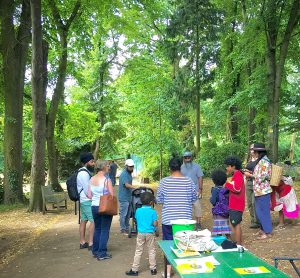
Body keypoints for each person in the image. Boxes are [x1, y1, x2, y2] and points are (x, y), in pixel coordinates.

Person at [157, 157, 197, 278]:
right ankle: (186, 272)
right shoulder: (189, 181)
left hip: (169, 220)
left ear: (170, 168)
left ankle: (168, 273)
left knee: (168, 245)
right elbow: (194, 199)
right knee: (185, 245)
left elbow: (159, 200)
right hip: (185, 220)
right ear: (181, 166)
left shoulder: (164, 181)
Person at [125, 192, 158, 276]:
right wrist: (156, 225)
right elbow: (155, 224)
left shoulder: (138, 210)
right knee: (151, 250)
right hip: (150, 233)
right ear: (151, 202)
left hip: (141, 233)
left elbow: (136, 219)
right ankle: (153, 269)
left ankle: (135, 269)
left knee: (138, 250)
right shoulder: (153, 212)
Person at [244, 143, 272, 240]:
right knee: (259, 211)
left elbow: (262, 176)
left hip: (263, 191)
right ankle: (262, 230)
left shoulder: (265, 162)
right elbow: (259, 173)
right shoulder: (260, 161)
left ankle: (267, 232)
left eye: (254, 151)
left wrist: (250, 175)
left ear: (259, 152)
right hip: (259, 190)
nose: (253, 153)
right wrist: (251, 173)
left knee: (263, 212)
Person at [88, 160, 114, 260]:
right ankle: (102, 253)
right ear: (103, 167)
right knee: (105, 229)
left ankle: (95, 251)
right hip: (104, 207)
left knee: (97, 229)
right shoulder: (106, 180)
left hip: (94, 206)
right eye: (108, 166)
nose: (109, 167)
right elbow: (111, 196)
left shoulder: (91, 179)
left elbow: (89, 195)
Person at [224, 156, 245, 245]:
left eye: (228, 166)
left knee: (235, 224)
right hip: (235, 204)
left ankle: (238, 244)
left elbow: (237, 189)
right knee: (234, 223)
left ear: (233, 166)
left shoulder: (238, 174)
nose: (227, 168)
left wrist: (227, 184)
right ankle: (237, 242)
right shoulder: (237, 174)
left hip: (236, 204)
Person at [181, 151, 204, 230]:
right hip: (184, 191)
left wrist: (200, 189)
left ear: (191, 157)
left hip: (195, 190)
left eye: (189, 157)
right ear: (183, 158)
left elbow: (200, 177)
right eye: (185, 157)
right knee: (185, 208)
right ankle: (186, 223)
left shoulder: (197, 166)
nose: (187, 159)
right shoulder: (181, 167)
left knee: (197, 206)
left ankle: (198, 223)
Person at [77, 152, 95, 250]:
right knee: (94, 221)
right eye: (92, 161)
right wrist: (93, 198)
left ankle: (82, 242)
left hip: (84, 201)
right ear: (87, 162)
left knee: (83, 221)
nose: (93, 163)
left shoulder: (83, 172)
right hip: (87, 201)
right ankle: (91, 243)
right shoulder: (84, 174)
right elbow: (87, 190)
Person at [210, 169, 232, 238]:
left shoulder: (215, 190)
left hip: (218, 212)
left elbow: (213, 201)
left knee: (218, 229)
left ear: (213, 180)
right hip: (226, 212)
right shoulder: (225, 190)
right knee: (226, 226)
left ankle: (219, 241)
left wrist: (210, 199)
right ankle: (229, 239)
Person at [244, 144, 260, 228]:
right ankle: (253, 220)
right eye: (250, 149)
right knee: (249, 203)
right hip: (248, 183)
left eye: (253, 149)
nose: (252, 151)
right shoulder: (249, 160)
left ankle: (257, 221)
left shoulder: (260, 160)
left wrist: (249, 174)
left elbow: (260, 174)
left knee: (254, 202)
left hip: (256, 183)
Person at [118, 158, 136, 234]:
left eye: (132, 166)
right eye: (130, 166)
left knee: (128, 214)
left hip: (128, 197)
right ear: (126, 166)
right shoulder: (124, 174)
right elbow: (126, 184)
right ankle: (123, 228)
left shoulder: (129, 174)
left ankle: (126, 226)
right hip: (124, 197)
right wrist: (135, 188)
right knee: (123, 214)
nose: (131, 168)